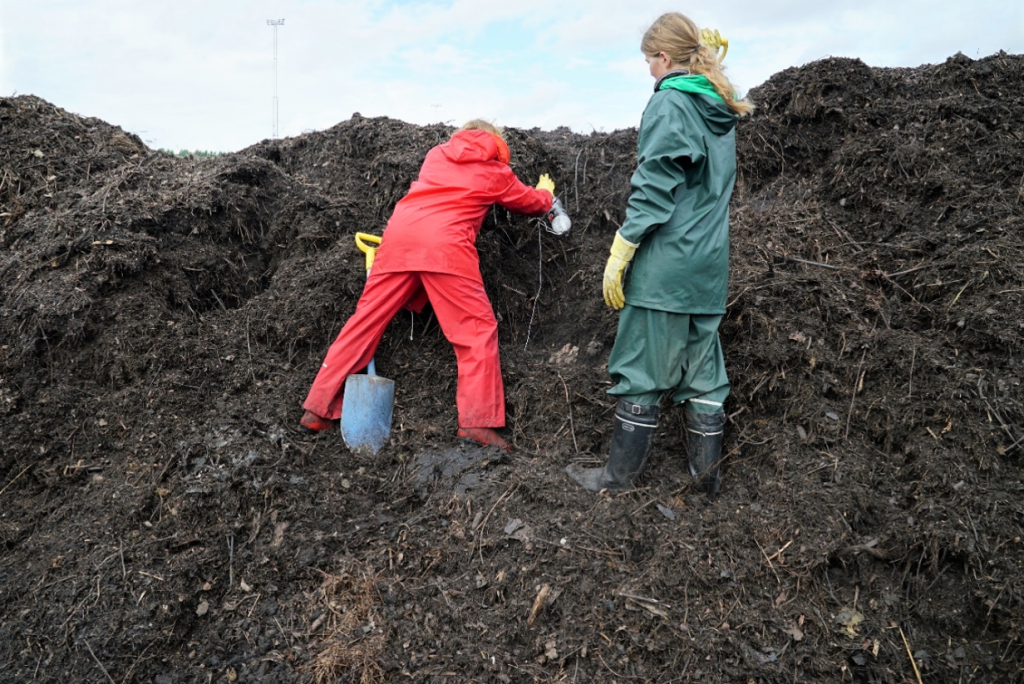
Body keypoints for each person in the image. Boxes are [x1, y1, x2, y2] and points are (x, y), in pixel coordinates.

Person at [566, 13, 753, 495]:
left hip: (666, 266)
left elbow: (654, 188)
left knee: (641, 368)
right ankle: (707, 487)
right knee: (705, 375)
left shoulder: (670, 103)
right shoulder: (721, 109)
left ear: (665, 58)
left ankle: (616, 480)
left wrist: (622, 250)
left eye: (650, 61)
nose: (649, 70)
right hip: (709, 266)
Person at [301, 119, 557, 451]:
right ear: (497, 144)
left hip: (397, 240)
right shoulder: (494, 171)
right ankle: (477, 423)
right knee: (475, 330)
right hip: (445, 248)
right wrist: (547, 193)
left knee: (363, 324)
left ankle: (317, 408)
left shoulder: (435, 156)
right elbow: (531, 203)